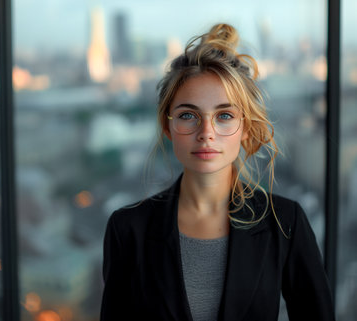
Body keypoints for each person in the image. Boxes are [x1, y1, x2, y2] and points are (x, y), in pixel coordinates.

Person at [100, 23, 335, 321]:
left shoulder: (286, 223)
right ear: (167, 126)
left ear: (246, 128)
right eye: (188, 115)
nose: (206, 133)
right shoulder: (127, 229)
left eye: (224, 115)